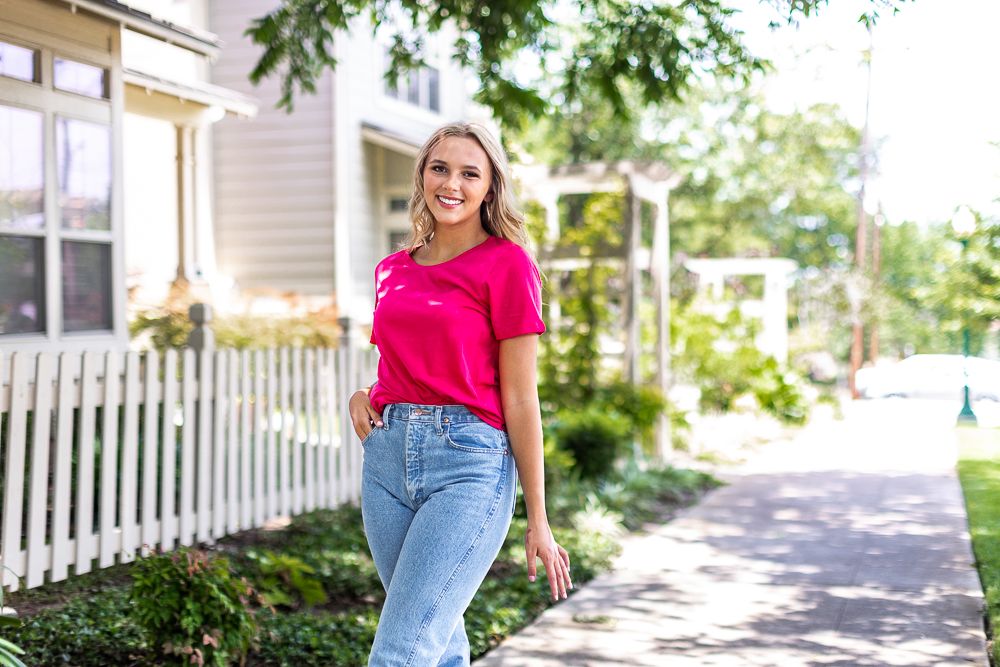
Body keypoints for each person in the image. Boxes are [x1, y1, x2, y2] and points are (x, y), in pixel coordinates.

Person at [348, 121, 572, 666]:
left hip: (468, 465)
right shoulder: (391, 270)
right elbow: (406, 365)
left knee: (401, 651)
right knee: (439, 639)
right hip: (386, 461)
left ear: (490, 186)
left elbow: (520, 398)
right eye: (440, 168)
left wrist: (537, 517)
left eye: (470, 173)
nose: (452, 183)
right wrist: (365, 393)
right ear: (423, 176)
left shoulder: (508, 264)